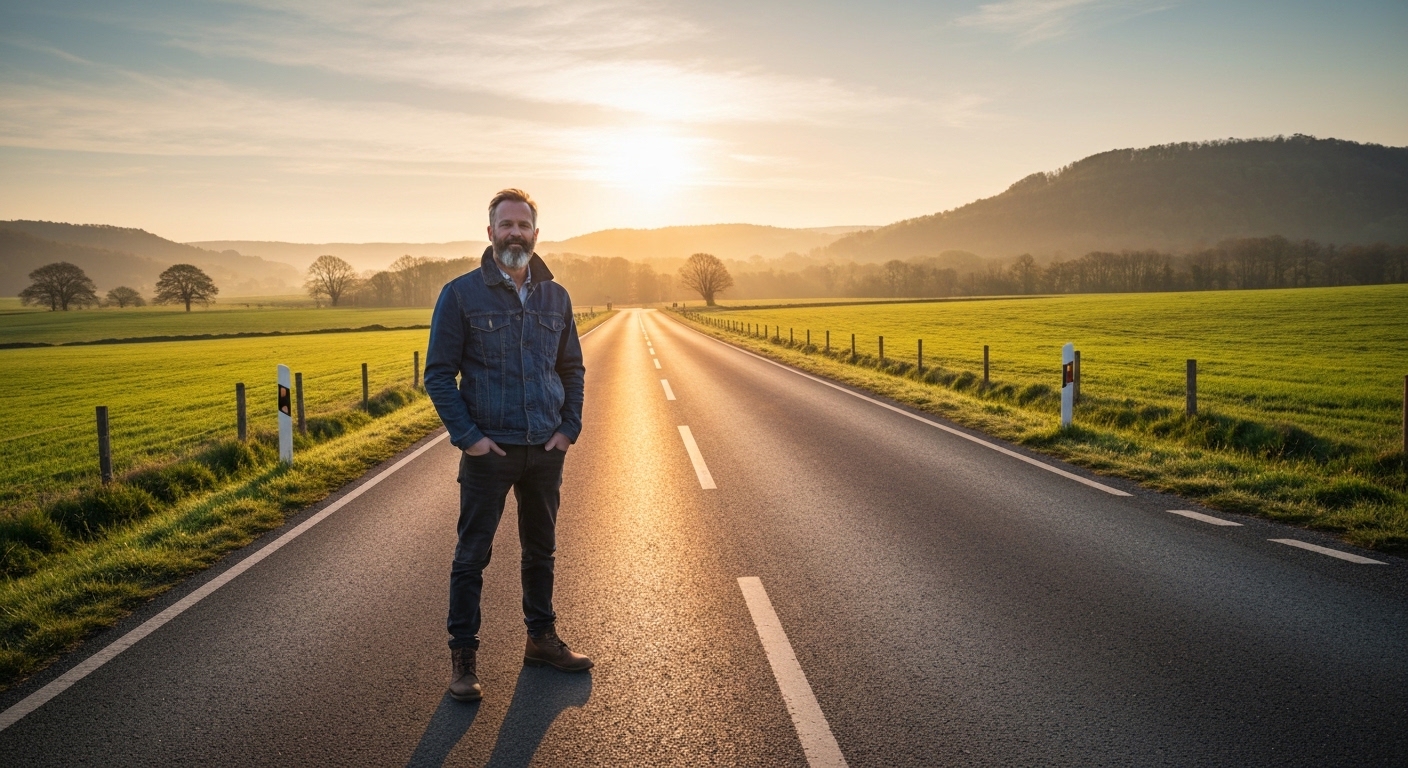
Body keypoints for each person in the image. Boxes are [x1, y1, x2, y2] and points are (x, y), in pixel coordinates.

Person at [424, 188, 592, 703]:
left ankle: (541, 640)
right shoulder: (460, 295)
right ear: (490, 231)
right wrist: (470, 439)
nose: (515, 233)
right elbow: (437, 376)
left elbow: (572, 369)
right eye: (506, 224)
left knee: (540, 550)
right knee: (472, 556)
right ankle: (464, 659)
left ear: (536, 235)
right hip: (489, 452)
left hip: (545, 448)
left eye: (524, 225)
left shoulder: (555, 297)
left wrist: (568, 429)